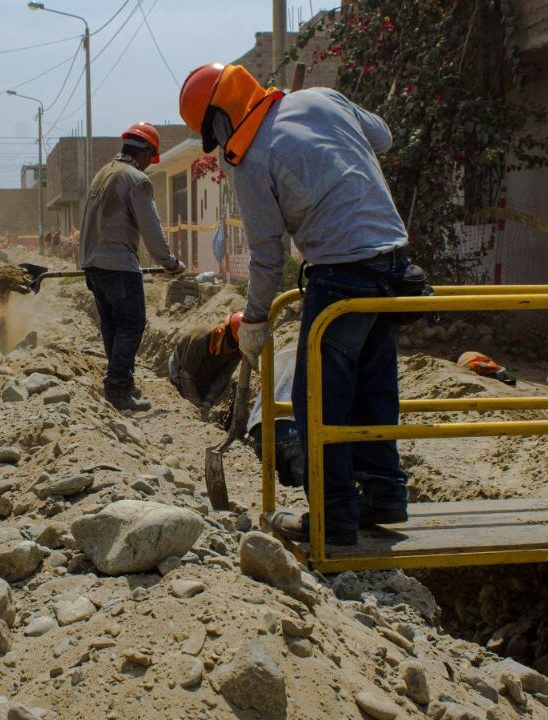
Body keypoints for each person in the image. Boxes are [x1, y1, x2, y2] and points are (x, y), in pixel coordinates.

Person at [179, 63, 412, 545]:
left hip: (343, 274)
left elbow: (267, 257)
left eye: (212, 132)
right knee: (373, 387)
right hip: (395, 267)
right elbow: (383, 137)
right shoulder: (322, 99)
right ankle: (385, 495)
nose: (219, 144)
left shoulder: (249, 158)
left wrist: (257, 321)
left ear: (220, 116)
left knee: (317, 399)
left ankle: (333, 519)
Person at [78, 121, 185, 412]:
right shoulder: (136, 179)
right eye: (151, 159)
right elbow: (151, 229)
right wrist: (170, 263)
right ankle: (116, 388)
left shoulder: (102, 174)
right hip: (119, 266)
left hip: (93, 265)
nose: (150, 165)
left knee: (113, 326)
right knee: (132, 324)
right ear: (147, 153)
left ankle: (121, 382)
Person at [246, 342, 305, 489]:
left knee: (284, 489)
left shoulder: (282, 352)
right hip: (296, 431)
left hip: (261, 430)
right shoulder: (319, 347)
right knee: (306, 493)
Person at [168, 312, 242, 418]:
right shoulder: (200, 340)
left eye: (234, 349)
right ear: (224, 334)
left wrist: (208, 401)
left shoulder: (237, 350)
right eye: (229, 347)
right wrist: (196, 406)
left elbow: (224, 376)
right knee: (183, 404)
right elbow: (186, 375)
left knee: (203, 397)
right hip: (181, 373)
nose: (229, 352)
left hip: (204, 375)